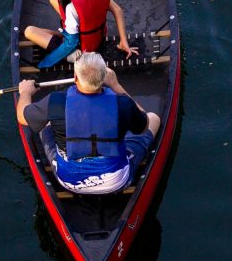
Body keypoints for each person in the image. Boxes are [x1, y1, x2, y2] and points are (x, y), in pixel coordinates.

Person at [16, 52, 162, 195]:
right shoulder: (123, 104)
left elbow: (22, 117)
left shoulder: (55, 102)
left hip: (70, 183)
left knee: (45, 121)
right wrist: (116, 85)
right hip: (116, 182)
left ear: (75, 77)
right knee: (153, 118)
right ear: (103, 78)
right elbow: (144, 125)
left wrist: (25, 93)